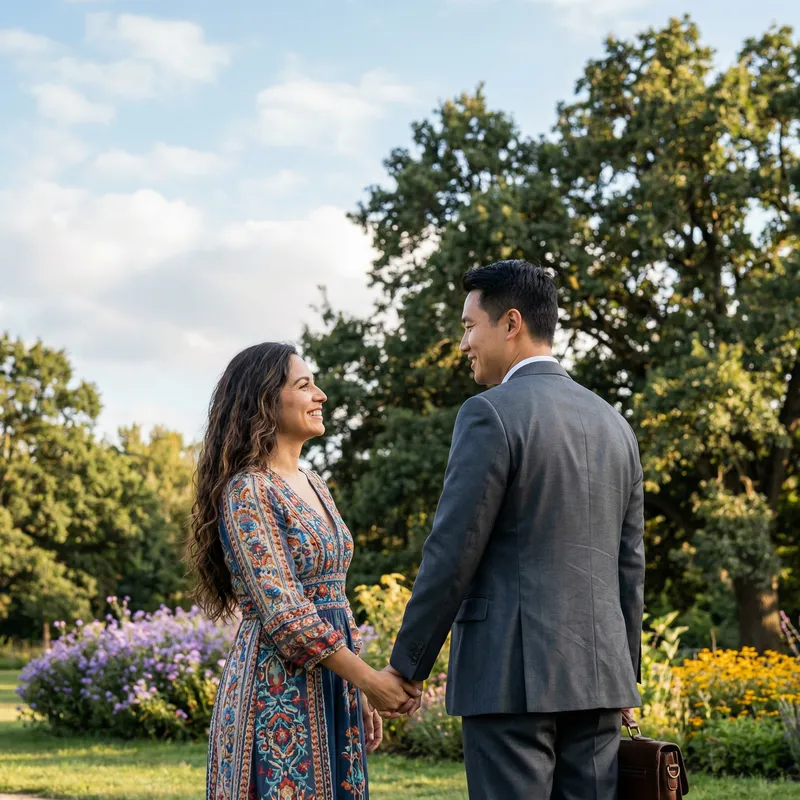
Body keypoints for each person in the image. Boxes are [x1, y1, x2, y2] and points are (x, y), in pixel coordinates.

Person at [386, 261, 645, 800]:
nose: (463, 344)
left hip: (507, 679)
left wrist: (406, 665)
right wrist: (625, 674)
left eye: (468, 326)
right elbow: (630, 564)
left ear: (510, 323)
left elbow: (453, 550)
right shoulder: (616, 425)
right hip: (600, 681)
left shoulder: (489, 414)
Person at [188, 342, 420, 800]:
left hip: (333, 683)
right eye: (304, 385)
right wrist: (369, 680)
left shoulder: (315, 483)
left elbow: (335, 594)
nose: (321, 395)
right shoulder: (248, 491)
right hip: (276, 691)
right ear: (265, 401)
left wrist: (357, 687)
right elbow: (285, 613)